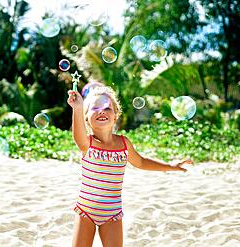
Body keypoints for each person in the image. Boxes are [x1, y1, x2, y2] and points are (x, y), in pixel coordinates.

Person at [67, 86, 193, 247]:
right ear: (86, 119)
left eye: (107, 108)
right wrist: (77, 108)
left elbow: (141, 162)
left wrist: (171, 166)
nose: (101, 111)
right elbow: (78, 136)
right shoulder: (88, 144)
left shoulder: (123, 143)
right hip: (86, 211)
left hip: (112, 213)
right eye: (95, 108)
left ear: (115, 116)